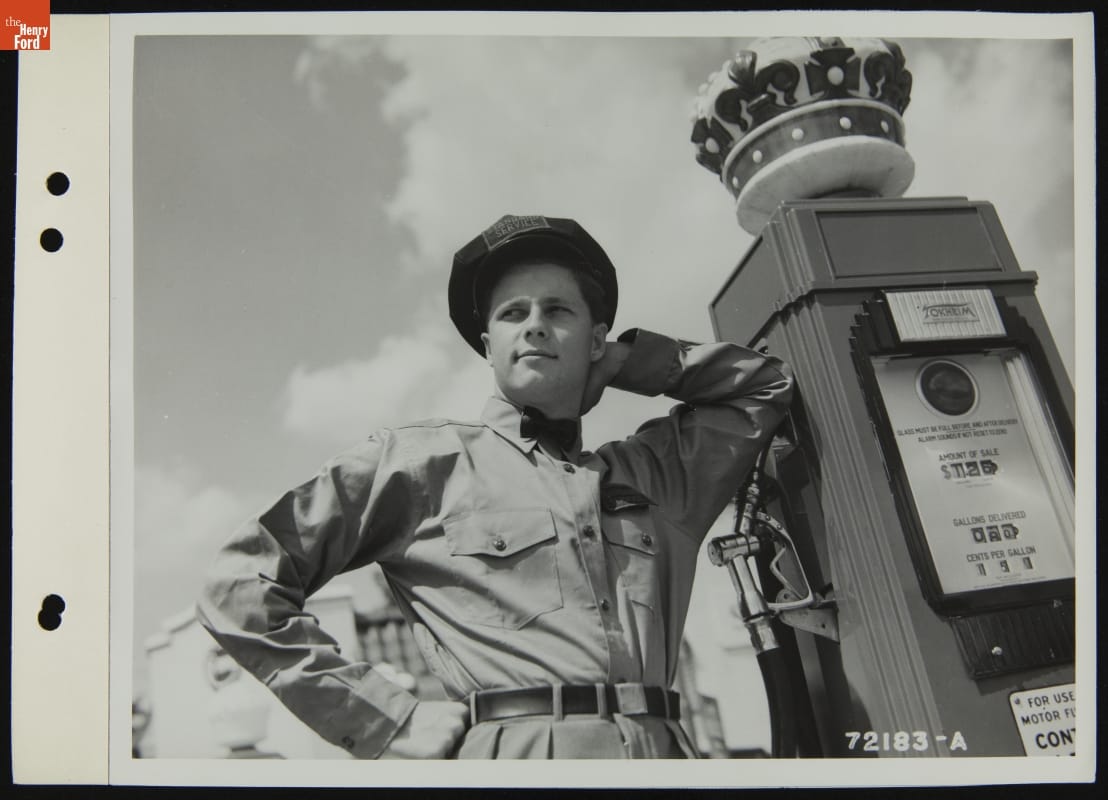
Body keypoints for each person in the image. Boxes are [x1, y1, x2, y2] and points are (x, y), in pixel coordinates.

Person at [197, 214, 794, 759]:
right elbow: (239, 584)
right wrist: (386, 719)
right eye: (512, 314)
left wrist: (625, 362)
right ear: (488, 347)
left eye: (558, 311)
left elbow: (765, 387)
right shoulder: (421, 465)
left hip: (666, 759)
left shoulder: (653, 475)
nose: (534, 326)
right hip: (517, 764)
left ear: (595, 339)